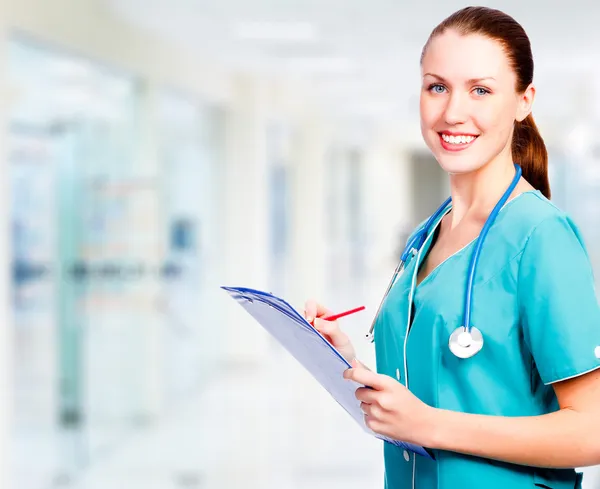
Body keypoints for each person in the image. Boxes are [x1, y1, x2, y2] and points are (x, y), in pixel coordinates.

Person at [304, 6, 600, 489]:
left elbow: (593, 429)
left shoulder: (540, 236)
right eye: (436, 86)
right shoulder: (430, 232)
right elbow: (442, 388)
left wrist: (428, 425)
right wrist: (346, 364)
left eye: (480, 90)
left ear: (524, 101)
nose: (451, 112)